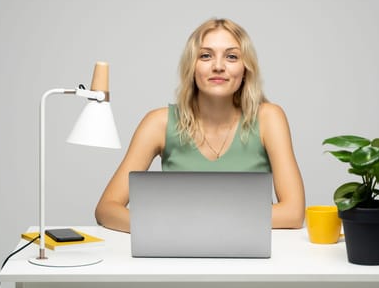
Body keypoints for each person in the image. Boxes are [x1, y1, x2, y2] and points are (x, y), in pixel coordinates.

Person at [95, 18, 305, 233]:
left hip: (249, 256)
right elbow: (106, 210)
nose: (218, 66)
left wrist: (195, 222)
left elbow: (294, 213)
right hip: (178, 253)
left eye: (231, 57)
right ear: (192, 66)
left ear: (245, 69)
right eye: (205, 56)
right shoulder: (158, 123)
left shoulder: (269, 118)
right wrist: (165, 228)